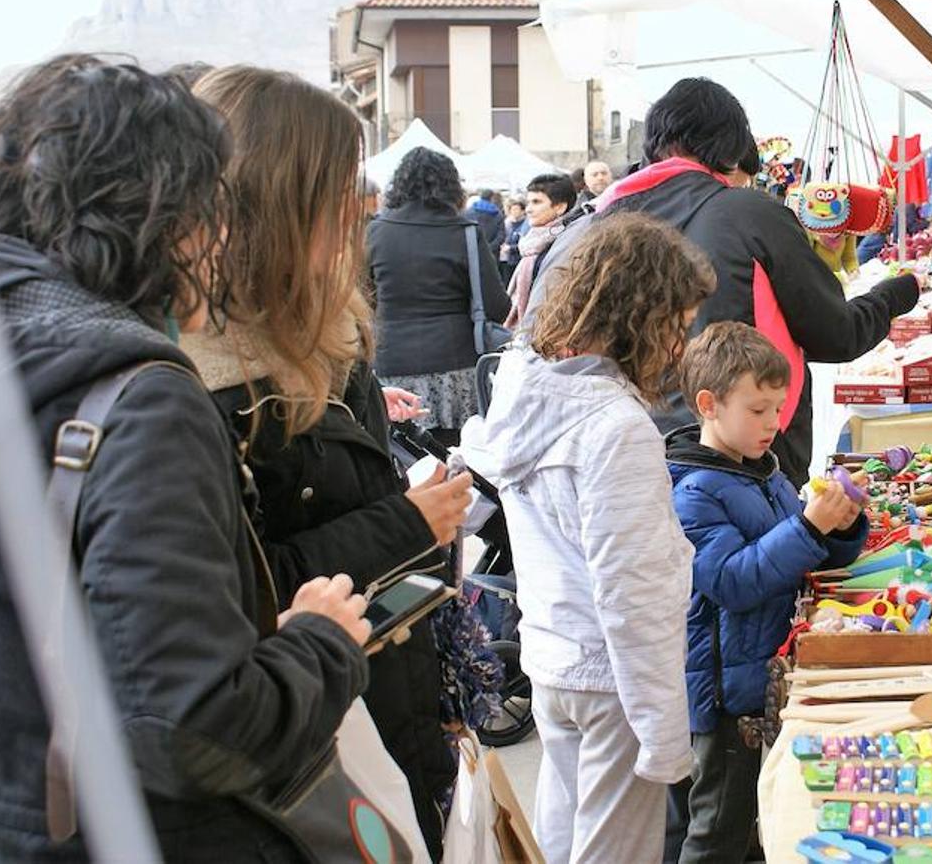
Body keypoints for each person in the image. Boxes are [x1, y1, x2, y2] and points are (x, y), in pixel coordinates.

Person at [0, 55, 371, 862]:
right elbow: (193, 729)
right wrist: (320, 640)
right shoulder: (139, 392)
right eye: (213, 210)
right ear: (172, 215)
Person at [183, 66, 474, 859]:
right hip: (312, 745)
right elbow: (239, 590)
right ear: (275, 206)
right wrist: (406, 523)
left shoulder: (327, 333)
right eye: (339, 195)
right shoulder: (191, 388)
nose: (358, 213)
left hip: (378, 697)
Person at [462, 213, 716, 864]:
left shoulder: (527, 386)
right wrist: (664, 733)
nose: (680, 347)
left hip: (554, 659)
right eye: (677, 327)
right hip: (610, 679)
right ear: (641, 315)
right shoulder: (615, 426)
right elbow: (633, 593)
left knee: (563, 837)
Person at [529, 77, 921, 486]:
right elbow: (837, 332)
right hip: (743, 458)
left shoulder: (589, 224)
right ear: (733, 149)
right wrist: (892, 297)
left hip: (618, 458)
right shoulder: (748, 213)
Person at [664, 323, 868, 863]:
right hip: (728, 694)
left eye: (778, 409)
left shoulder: (762, 472)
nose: (774, 425)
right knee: (717, 830)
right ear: (709, 404)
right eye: (758, 411)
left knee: (748, 817)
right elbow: (733, 580)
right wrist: (807, 528)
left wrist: (840, 526)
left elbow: (801, 559)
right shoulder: (693, 492)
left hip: (760, 675)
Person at [369, 147, 511, 449]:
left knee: (403, 459)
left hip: (392, 363)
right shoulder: (467, 233)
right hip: (457, 365)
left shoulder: (375, 233)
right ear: (451, 186)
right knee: (460, 461)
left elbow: (360, 303)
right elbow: (497, 306)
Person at [505, 172, 578, 327]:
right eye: (528, 203)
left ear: (560, 207)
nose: (529, 209)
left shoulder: (567, 243)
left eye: (536, 202)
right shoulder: (533, 243)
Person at [465, 187, 506, 257]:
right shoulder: (498, 214)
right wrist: (490, 247)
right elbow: (501, 235)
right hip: (492, 253)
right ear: (492, 198)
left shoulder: (468, 212)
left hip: (472, 251)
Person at [500, 197, 528, 281]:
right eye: (512, 209)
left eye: (516, 209)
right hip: (506, 259)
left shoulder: (527, 224)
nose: (514, 212)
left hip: (519, 259)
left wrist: (511, 248)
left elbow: (525, 244)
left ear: (523, 211)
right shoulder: (507, 223)